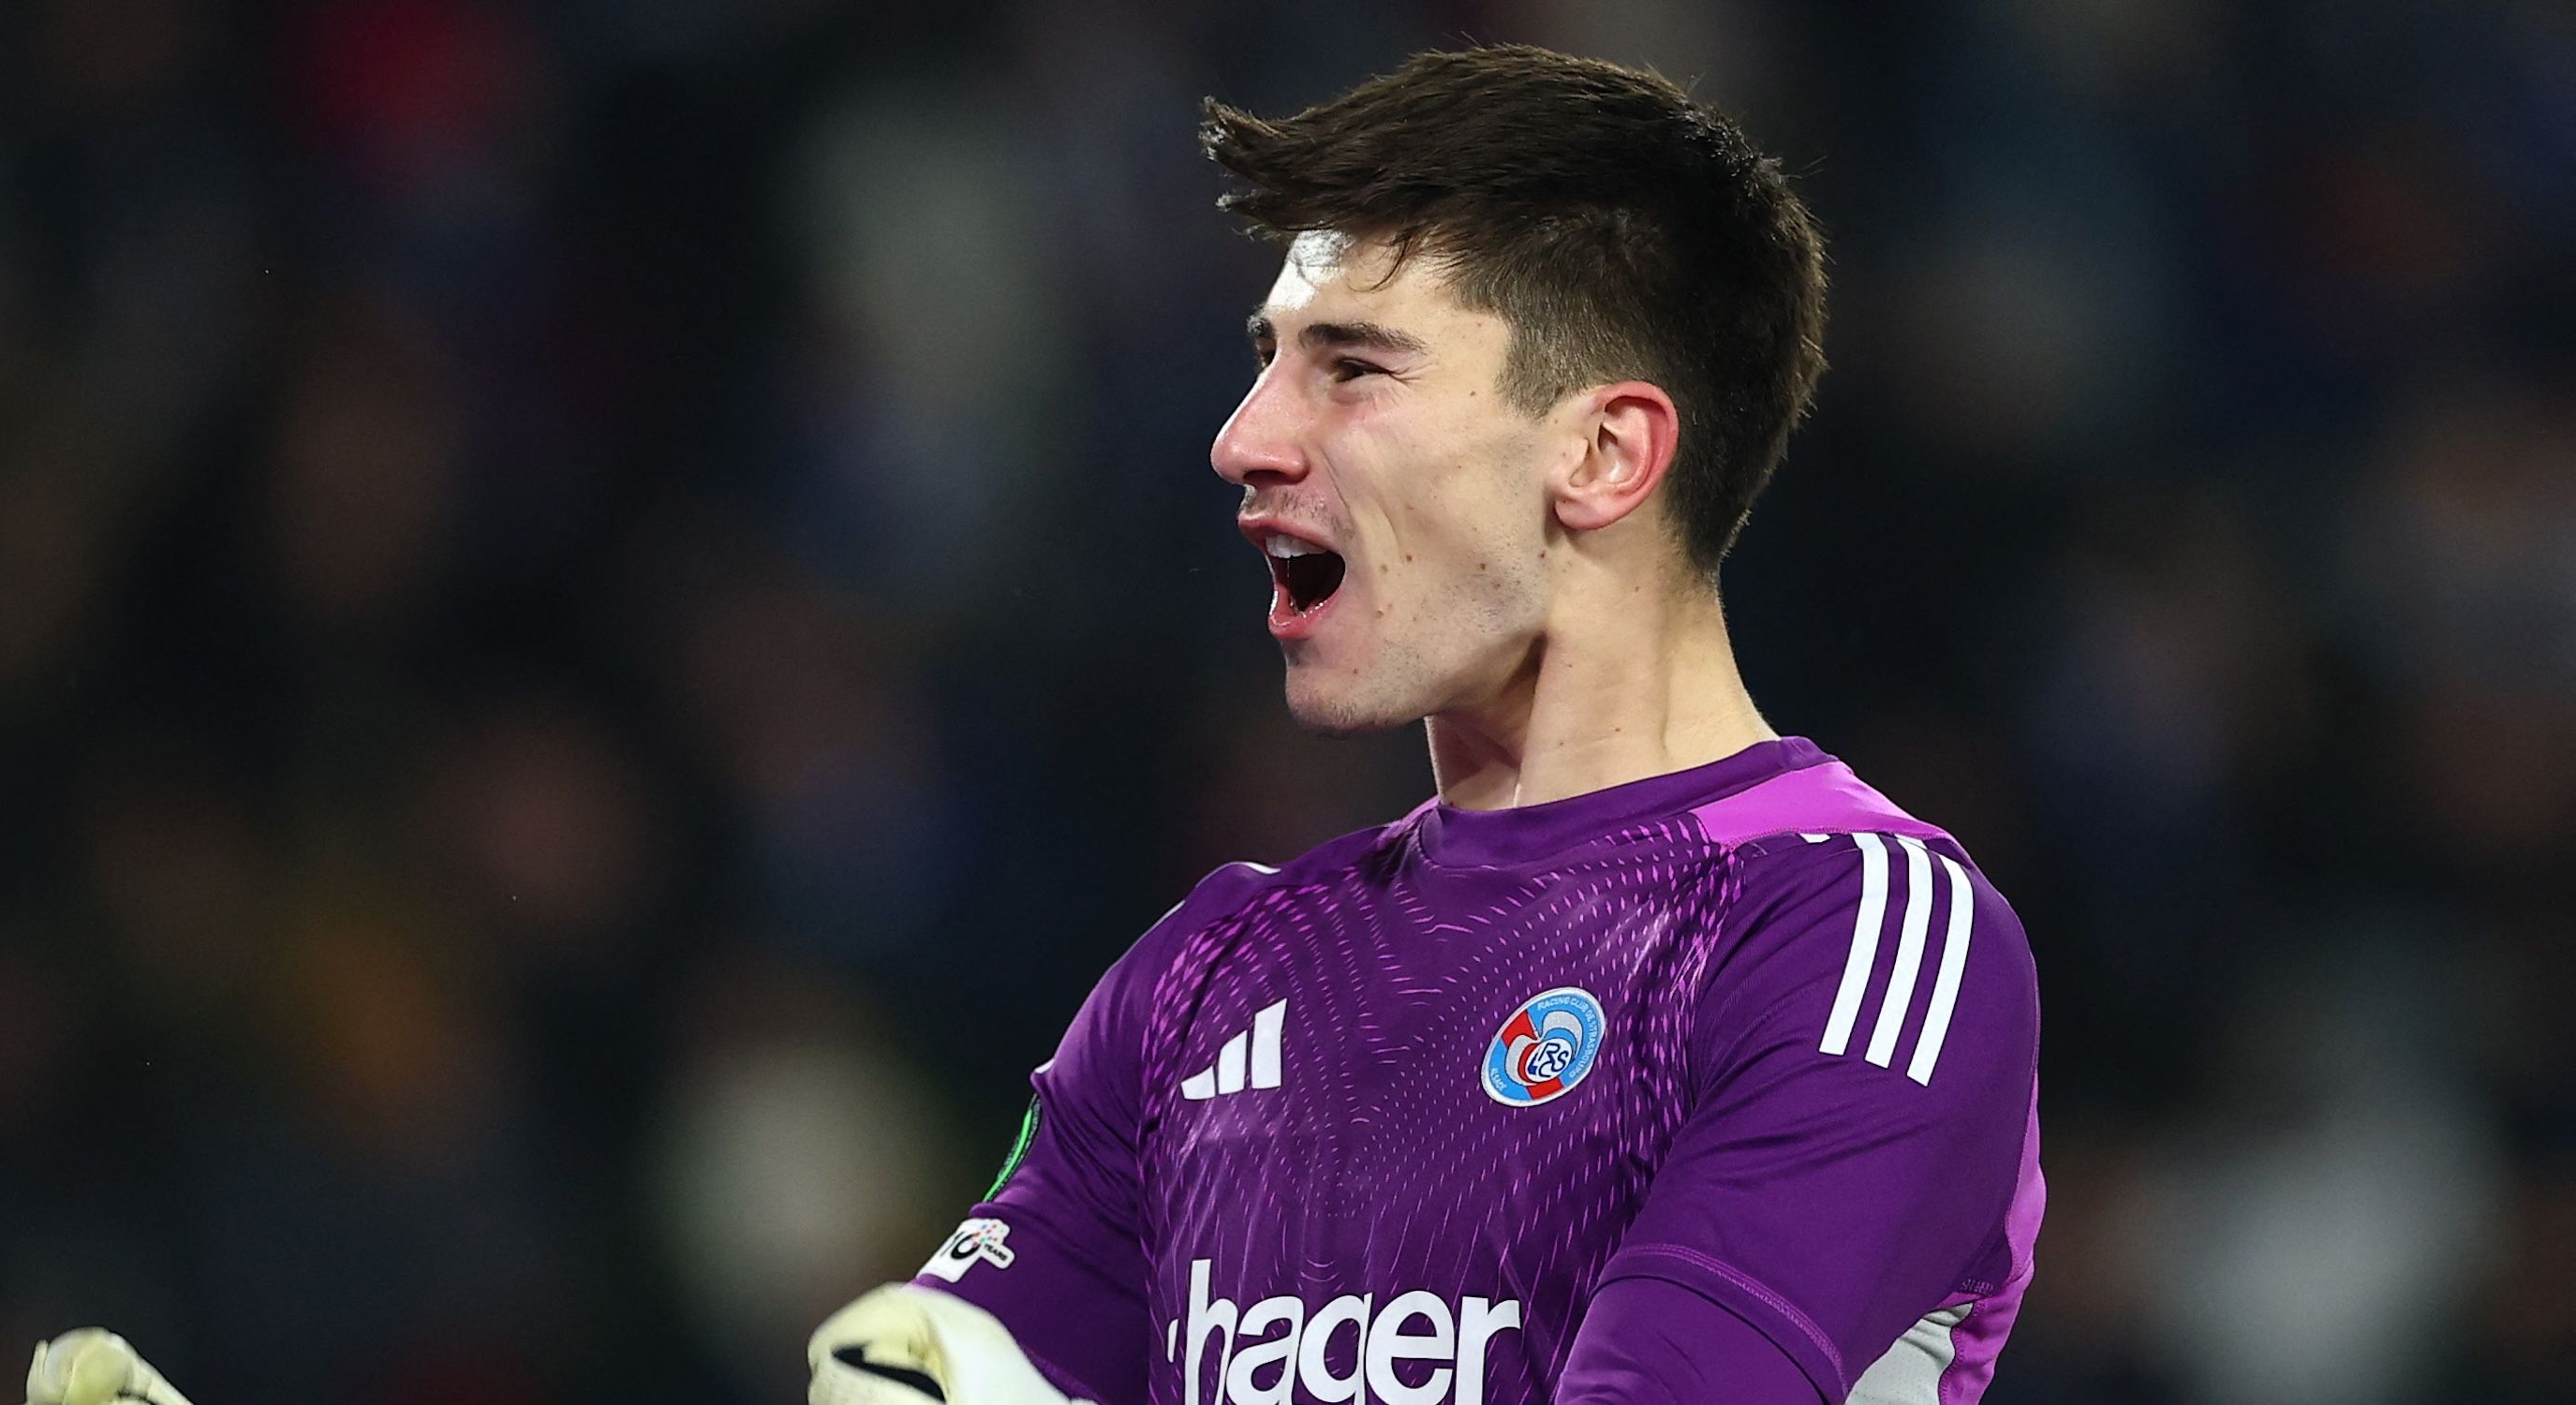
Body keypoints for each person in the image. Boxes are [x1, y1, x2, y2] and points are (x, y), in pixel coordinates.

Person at [808, 43, 2042, 1405]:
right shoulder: (1205, 978)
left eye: (1351, 369)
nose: (1243, 440)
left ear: (1604, 453)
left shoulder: (1849, 930)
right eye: (1267, 360)